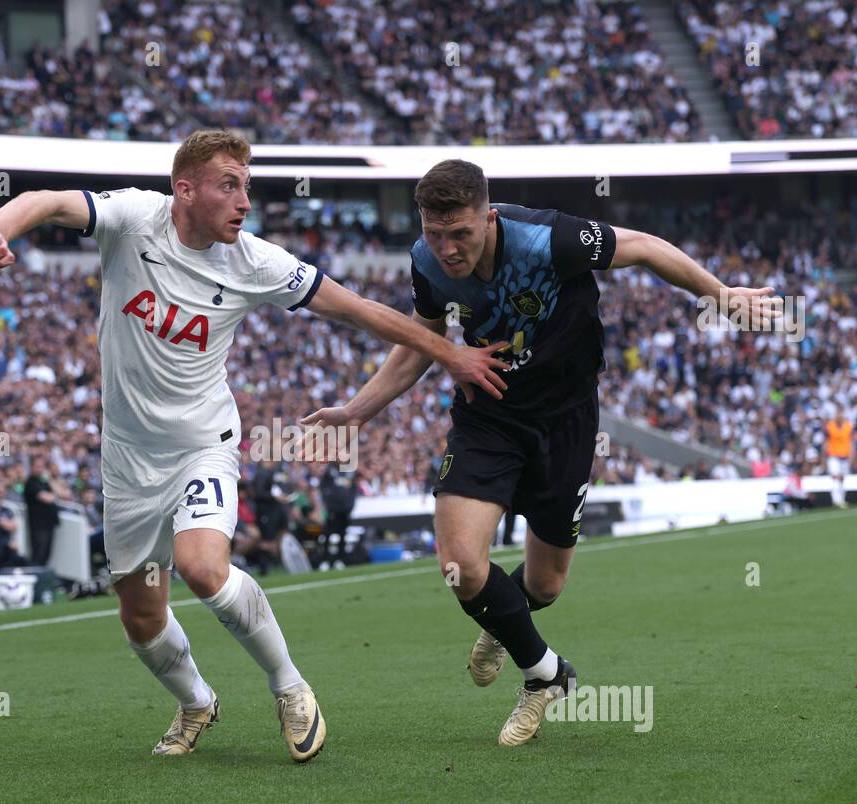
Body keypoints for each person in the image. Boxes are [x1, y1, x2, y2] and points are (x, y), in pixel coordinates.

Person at [0, 129, 508, 761]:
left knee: (202, 567)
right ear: (185, 188)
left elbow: (358, 309)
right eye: (230, 185)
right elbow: (47, 200)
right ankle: (197, 701)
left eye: (247, 186)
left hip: (205, 442)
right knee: (141, 619)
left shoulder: (254, 260)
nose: (244, 200)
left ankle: (290, 685)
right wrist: (0, 229)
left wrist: (450, 353)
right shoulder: (132, 219)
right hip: (126, 459)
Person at [305, 158, 776, 747]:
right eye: (434, 233)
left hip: (566, 420)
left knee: (546, 586)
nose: (447, 249)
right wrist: (357, 410)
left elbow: (648, 248)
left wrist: (722, 295)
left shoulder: (548, 238)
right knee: (461, 565)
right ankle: (545, 675)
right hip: (488, 414)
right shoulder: (426, 262)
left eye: (460, 234)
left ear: (489, 217)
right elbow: (423, 340)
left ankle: (507, 626)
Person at [22, 454, 60, 566]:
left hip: (49, 524)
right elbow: (46, 498)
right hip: (38, 525)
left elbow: (60, 492)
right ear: (31, 467)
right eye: (37, 466)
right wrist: (54, 495)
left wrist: (49, 480)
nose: (40, 469)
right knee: (38, 554)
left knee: (46, 555)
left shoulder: (44, 482)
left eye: (42, 466)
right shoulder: (30, 483)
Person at [824, 409, 853, 509]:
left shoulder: (847, 426)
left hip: (844, 456)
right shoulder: (830, 426)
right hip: (833, 455)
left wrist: (851, 454)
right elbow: (826, 441)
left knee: (842, 478)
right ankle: (836, 500)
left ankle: (842, 499)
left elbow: (850, 441)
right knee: (836, 476)